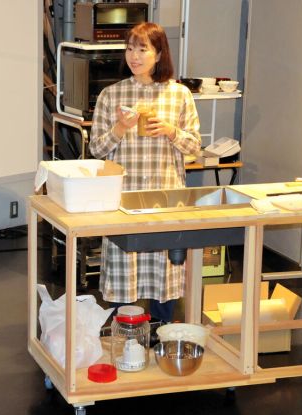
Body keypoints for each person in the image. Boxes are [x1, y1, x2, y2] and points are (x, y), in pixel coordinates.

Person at [89, 23, 201, 324]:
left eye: (142, 49)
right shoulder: (111, 95)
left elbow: (195, 147)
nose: (134, 56)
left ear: (159, 54)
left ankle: (163, 334)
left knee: (164, 272)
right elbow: (96, 150)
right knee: (123, 271)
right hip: (124, 198)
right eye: (129, 49)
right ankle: (123, 336)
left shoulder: (179, 95)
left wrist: (171, 131)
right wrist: (120, 127)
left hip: (166, 198)